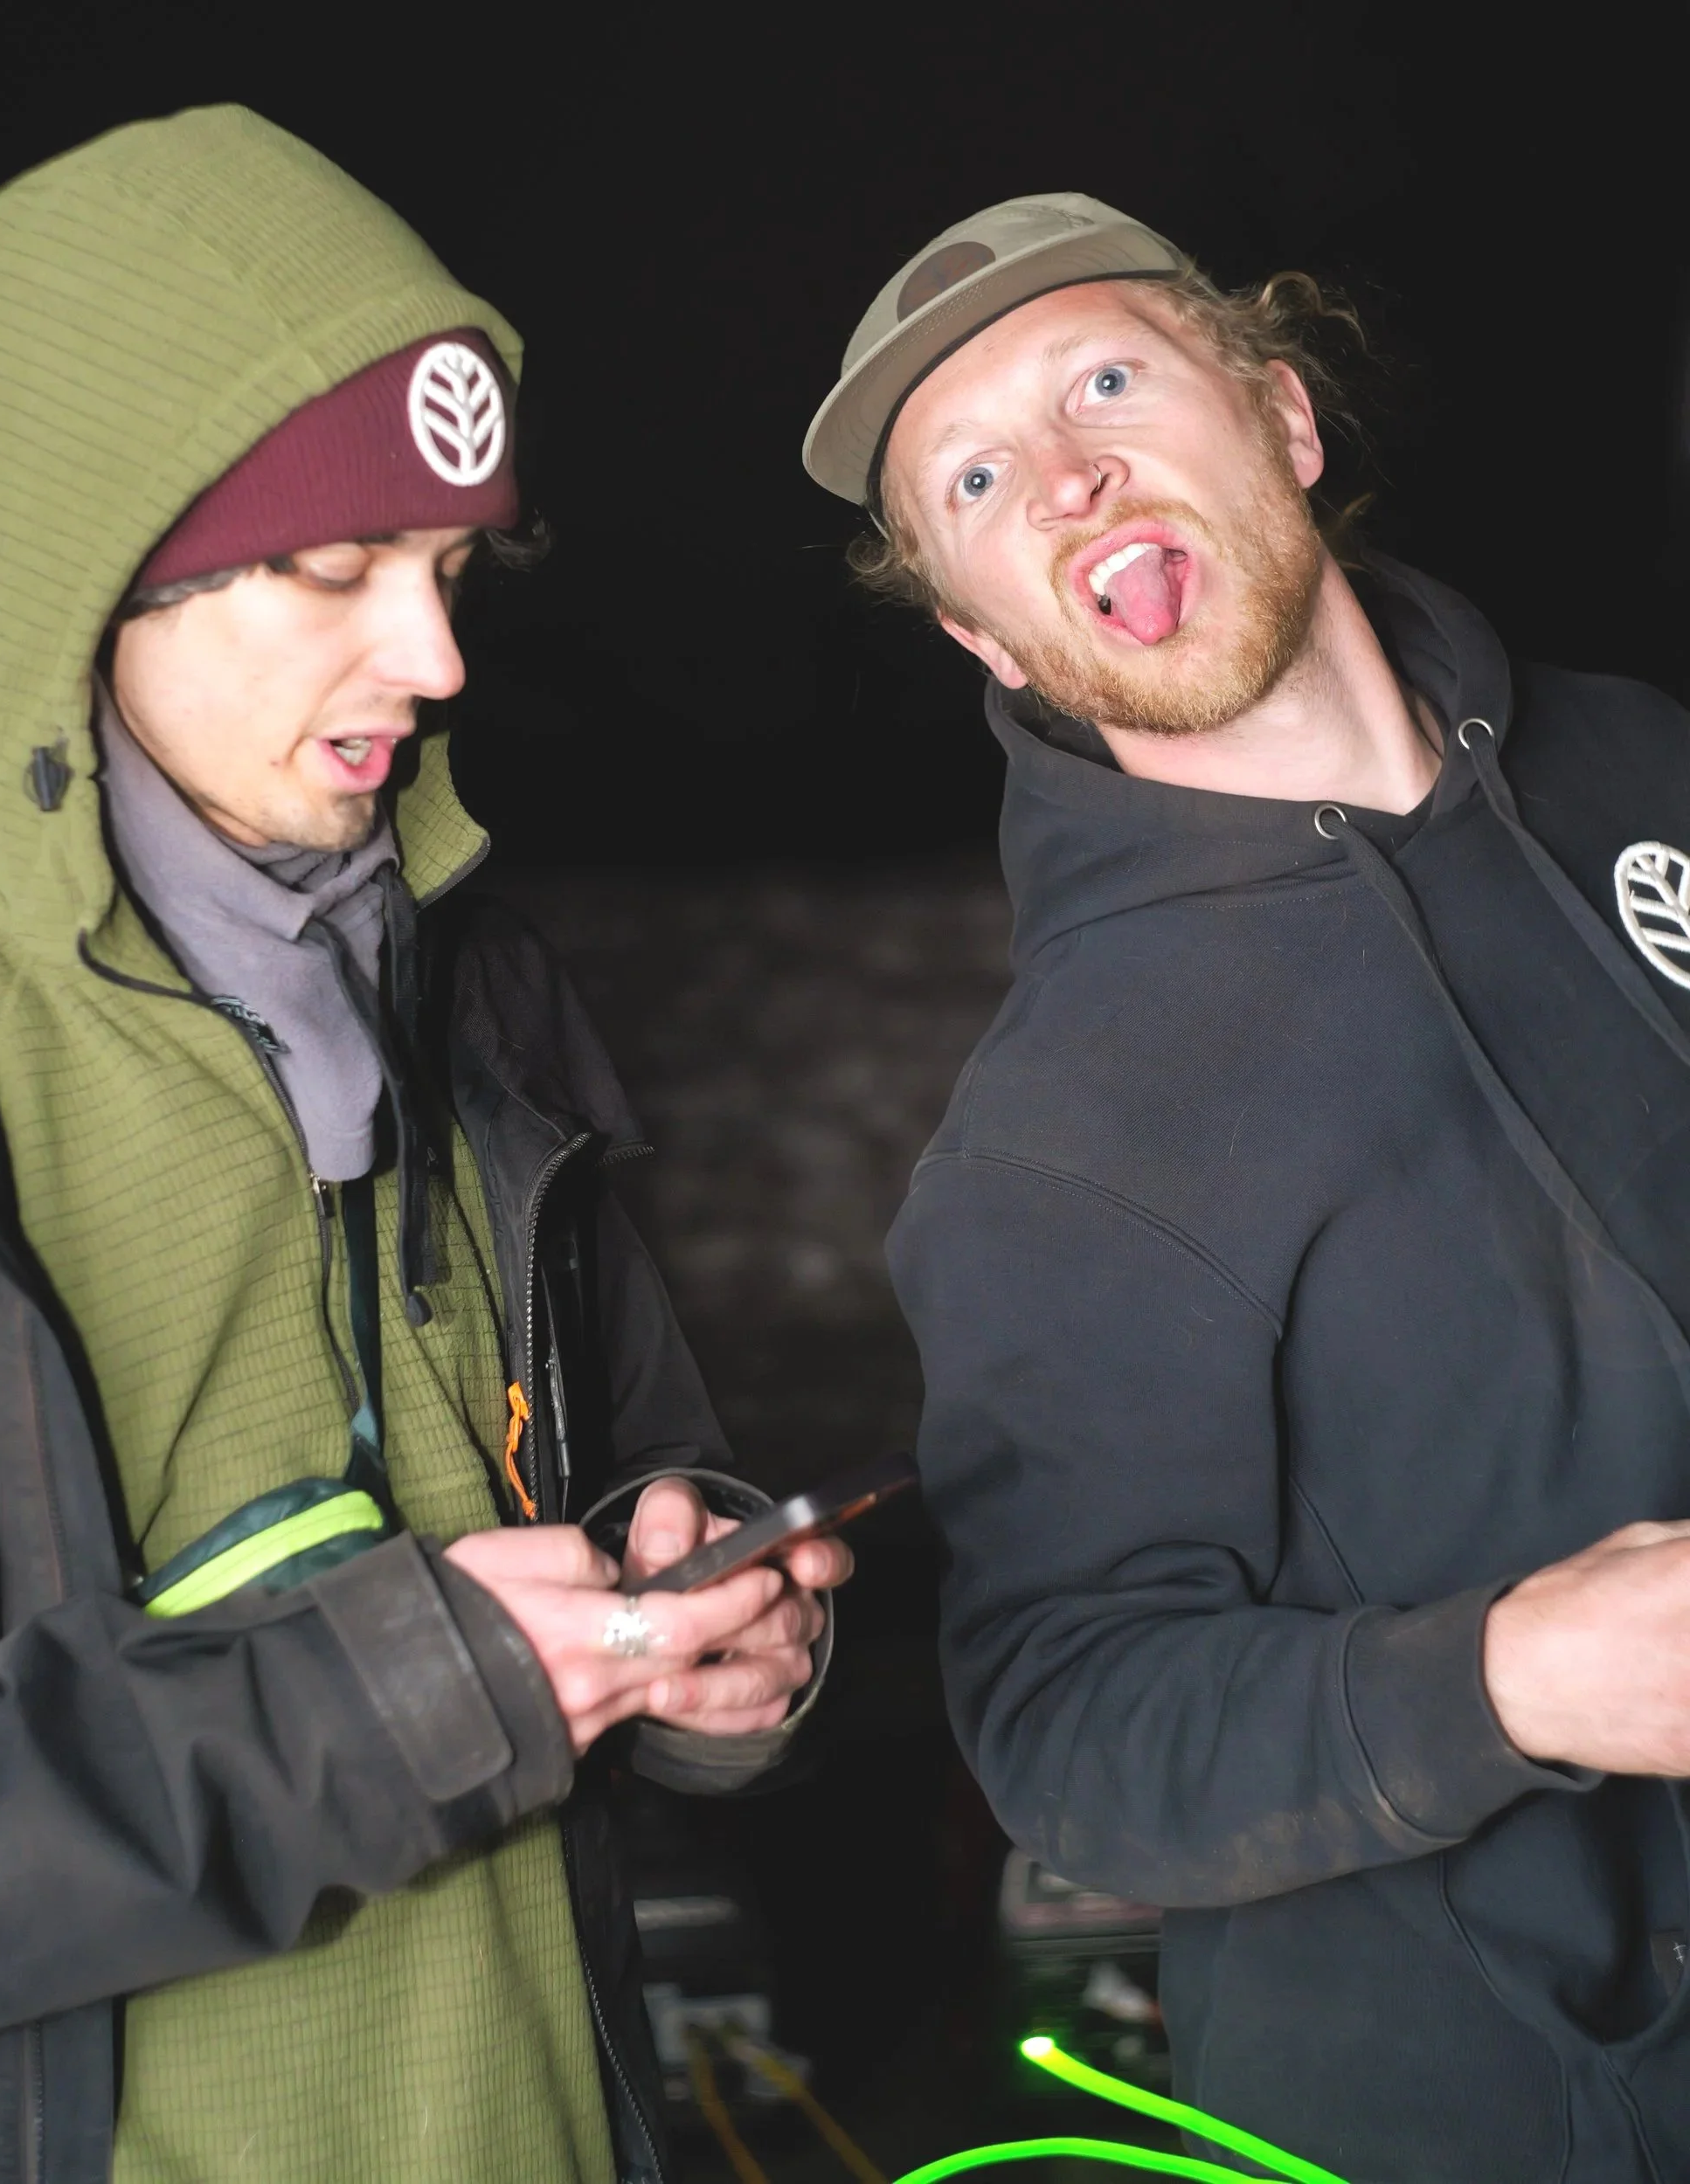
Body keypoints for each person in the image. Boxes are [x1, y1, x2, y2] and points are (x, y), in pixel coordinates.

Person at [0, 105, 848, 2184]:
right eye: (330, 570)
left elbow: (635, 1477)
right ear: (60, 568)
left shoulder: (472, 985)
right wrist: (409, 1699)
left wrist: (715, 1632)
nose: (431, 662)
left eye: (447, 570)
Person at [802, 190, 1690, 2181]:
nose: (1063, 469)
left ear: (1280, 418)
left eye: (1104, 376)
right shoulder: (1061, 1140)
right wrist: (1516, 1675)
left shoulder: (1641, 768)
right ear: (976, 623)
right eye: (973, 473)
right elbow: (1066, 1720)